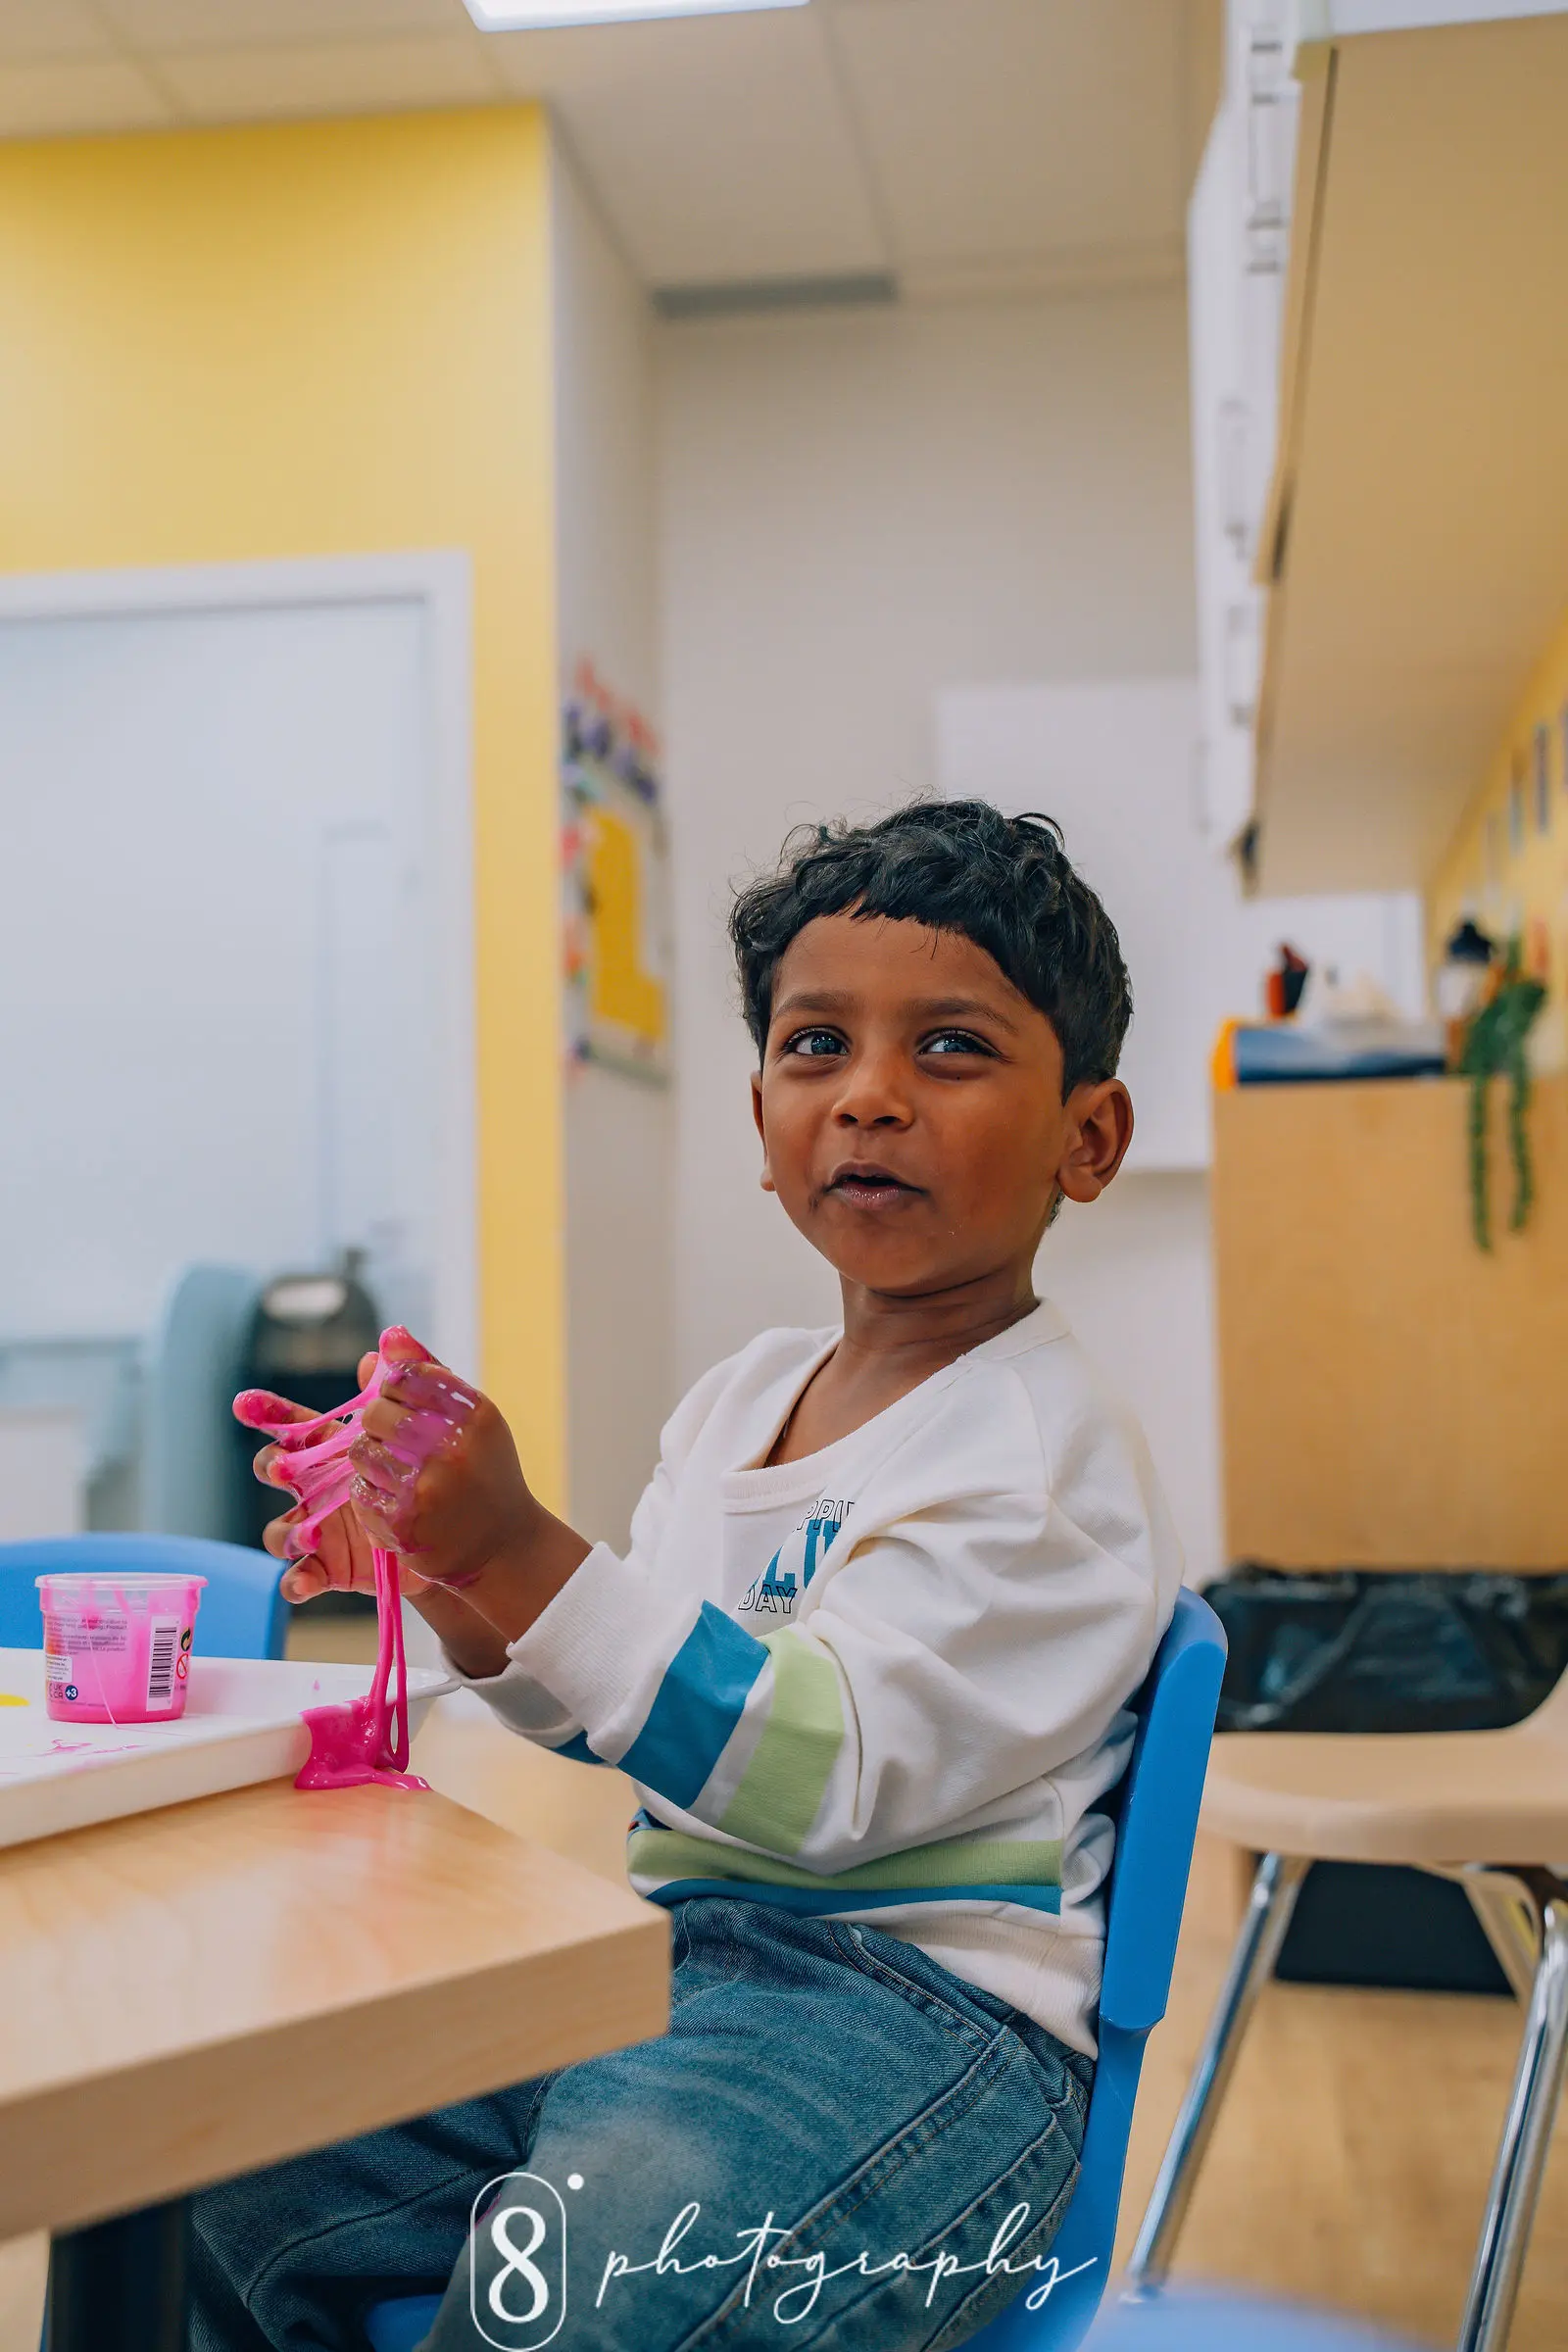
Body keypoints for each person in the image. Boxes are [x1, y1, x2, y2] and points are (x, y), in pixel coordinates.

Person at [192, 798, 1183, 2352]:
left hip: (918, 2033)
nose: (868, 1097)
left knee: (572, 2297)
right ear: (761, 1118)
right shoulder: (739, 1400)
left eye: (950, 1049)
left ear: (1090, 1136)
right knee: (214, 2160)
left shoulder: (1038, 1455)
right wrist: (460, 1573)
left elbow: (806, 1770)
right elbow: (621, 1718)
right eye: (815, 1046)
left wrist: (526, 1543)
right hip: (670, 1972)